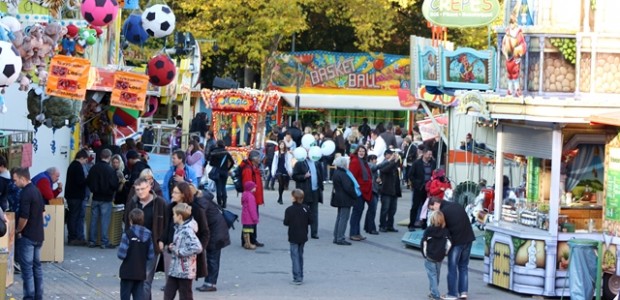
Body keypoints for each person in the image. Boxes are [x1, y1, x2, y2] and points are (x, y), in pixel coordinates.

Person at [123, 177, 167, 300]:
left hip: (152, 246)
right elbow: (127, 223)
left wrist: (162, 240)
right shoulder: (132, 203)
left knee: (146, 280)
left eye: (143, 189)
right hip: (135, 247)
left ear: (149, 188)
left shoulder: (160, 203)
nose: (140, 192)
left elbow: (166, 224)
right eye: (137, 189)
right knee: (137, 280)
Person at [159, 182, 209, 288]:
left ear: (183, 194)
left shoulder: (195, 209)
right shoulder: (170, 208)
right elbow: (166, 227)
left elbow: (205, 232)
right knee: (170, 285)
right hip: (171, 250)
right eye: (173, 192)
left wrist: (198, 249)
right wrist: (162, 240)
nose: (172, 194)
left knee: (185, 288)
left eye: (175, 193)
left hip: (187, 255)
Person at [428, 197, 475, 300]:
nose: (433, 211)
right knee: (463, 266)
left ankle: (452, 294)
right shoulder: (456, 205)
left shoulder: (443, 212)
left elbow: (441, 230)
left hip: (457, 242)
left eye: (432, 209)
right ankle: (463, 292)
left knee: (452, 267)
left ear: (436, 203)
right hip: (468, 238)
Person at [13, 167, 45, 299]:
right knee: (37, 267)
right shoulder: (37, 190)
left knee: (27, 269)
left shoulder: (25, 193)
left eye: (15, 180)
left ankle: (29, 296)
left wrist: (18, 230)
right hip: (38, 234)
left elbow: (24, 217)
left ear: (22, 178)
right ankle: (38, 295)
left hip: (28, 236)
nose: (14, 183)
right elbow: (43, 212)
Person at [163, 203, 203, 300]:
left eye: (174, 214)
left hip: (185, 270)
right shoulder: (178, 228)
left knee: (185, 295)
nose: (173, 216)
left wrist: (180, 251)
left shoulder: (187, 230)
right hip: (175, 269)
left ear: (180, 216)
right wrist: (172, 247)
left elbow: (197, 247)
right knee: (168, 292)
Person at [195, 188, 230, 293]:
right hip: (217, 232)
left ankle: (211, 283)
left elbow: (200, 217)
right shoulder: (203, 198)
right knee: (212, 258)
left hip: (216, 234)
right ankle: (209, 282)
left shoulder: (201, 202)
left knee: (213, 259)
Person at [118, 208, 154, 300]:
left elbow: (121, 254)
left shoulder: (127, 234)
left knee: (125, 296)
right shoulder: (148, 235)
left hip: (127, 272)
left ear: (130, 221)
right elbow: (151, 255)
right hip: (140, 272)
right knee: (138, 296)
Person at [86, 149, 120, 248]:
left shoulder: (93, 168)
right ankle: (104, 241)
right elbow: (114, 185)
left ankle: (92, 240)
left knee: (94, 219)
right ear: (109, 157)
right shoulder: (110, 170)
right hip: (107, 198)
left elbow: (88, 181)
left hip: (95, 196)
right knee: (105, 220)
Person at [291, 149, 323, 239]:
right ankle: (302, 231)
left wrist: (321, 186)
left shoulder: (316, 163)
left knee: (314, 213)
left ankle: (314, 232)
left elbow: (320, 175)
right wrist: (303, 176)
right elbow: (294, 176)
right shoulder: (300, 163)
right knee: (303, 212)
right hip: (304, 191)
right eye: (308, 152)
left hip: (315, 191)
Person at [422, 210, 452, 300]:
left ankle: (435, 294)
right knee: (437, 274)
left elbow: (424, 243)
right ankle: (433, 291)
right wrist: (445, 252)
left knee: (432, 275)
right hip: (440, 256)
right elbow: (449, 243)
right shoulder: (445, 231)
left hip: (430, 256)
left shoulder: (428, 230)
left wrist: (425, 254)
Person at [284, 189, 311, 285]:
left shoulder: (289, 210)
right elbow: (310, 221)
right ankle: (301, 274)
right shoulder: (306, 208)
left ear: (294, 198)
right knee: (300, 255)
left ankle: (297, 276)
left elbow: (286, 222)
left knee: (294, 256)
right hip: (303, 235)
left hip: (293, 235)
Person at [239, 150, 265, 247]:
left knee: (251, 220)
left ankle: (251, 239)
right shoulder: (248, 169)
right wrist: (251, 198)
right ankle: (249, 240)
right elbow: (247, 184)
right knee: (250, 220)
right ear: (254, 159)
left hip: (254, 198)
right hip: (252, 198)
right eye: (258, 157)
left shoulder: (253, 167)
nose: (259, 159)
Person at [330, 157, 358, 246]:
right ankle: (340, 237)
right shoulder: (343, 174)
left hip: (339, 197)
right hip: (345, 198)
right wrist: (355, 195)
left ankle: (336, 236)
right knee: (343, 218)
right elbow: (348, 188)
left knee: (339, 218)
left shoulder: (336, 172)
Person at [408, 147, 436, 231]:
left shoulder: (433, 163)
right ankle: (411, 224)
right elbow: (410, 175)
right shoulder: (417, 163)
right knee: (415, 206)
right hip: (419, 188)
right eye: (428, 154)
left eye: (431, 154)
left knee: (427, 206)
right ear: (424, 154)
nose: (430, 156)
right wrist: (416, 183)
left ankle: (424, 224)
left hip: (428, 189)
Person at [65, 149, 89, 246]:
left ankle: (73, 236)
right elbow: (80, 182)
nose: (85, 162)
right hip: (76, 196)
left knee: (72, 216)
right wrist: (87, 179)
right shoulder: (78, 166)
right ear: (82, 158)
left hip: (71, 195)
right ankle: (73, 237)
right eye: (85, 160)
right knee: (74, 216)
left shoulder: (72, 165)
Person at [348, 146, 372, 241]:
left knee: (359, 211)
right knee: (357, 212)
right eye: (360, 151)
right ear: (356, 152)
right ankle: (353, 233)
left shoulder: (363, 162)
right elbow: (352, 177)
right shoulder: (355, 162)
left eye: (363, 151)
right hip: (358, 190)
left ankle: (357, 233)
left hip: (364, 189)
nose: (361, 152)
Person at [378, 149, 402, 233]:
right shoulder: (384, 163)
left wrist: (396, 161)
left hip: (394, 190)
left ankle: (390, 225)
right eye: (391, 154)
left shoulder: (394, 164)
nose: (393, 156)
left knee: (393, 209)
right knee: (385, 209)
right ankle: (382, 225)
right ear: (386, 155)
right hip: (386, 190)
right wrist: (393, 161)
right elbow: (384, 170)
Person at [207, 140, 234, 208]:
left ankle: (219, 202)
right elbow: (232, 162)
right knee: (223, 187)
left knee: (218, 187)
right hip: (224, 172)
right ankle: (224, 202)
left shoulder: (214, 153)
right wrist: (228, 169)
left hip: (217, 172)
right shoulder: (226, 153)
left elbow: (211, 163)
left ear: (217, 145)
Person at [364, 154, 380, 235]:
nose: (376, 161)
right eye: (375, 159)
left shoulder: (372, 167)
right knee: (372, 209)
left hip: (374, 190)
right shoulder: (370, 165)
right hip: (372, 190)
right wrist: (389, 160)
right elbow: (376, 167)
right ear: (370, 160)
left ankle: (367, 227)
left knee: (371, 209)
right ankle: (371, 228)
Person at [241, 181, 259, 250]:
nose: (255, 188)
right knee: (248, 231)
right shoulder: (251, 196)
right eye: (254, 187)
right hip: (249, 218)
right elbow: (252, 209)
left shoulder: (244, 194)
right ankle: (248, 244)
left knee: (245, 231)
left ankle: (246, 243)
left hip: (245, 216)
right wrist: (255, 218)